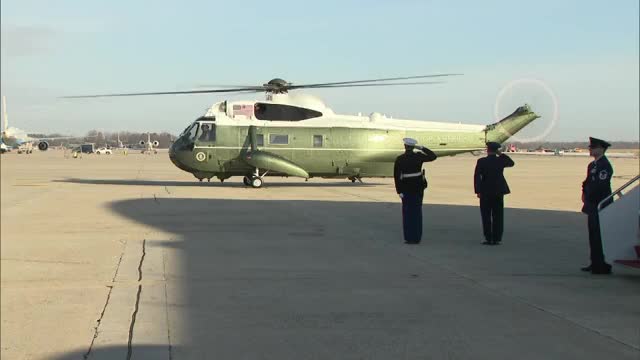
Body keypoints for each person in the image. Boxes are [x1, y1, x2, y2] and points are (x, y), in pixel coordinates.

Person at [394, 138, 437, 244]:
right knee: (417, 213)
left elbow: (396, 176)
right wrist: (422, 148)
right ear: (413, 147)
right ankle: (417, 237)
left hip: (406, 187)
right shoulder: (418, 156)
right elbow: (433, 156)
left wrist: (399, 191)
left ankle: (409, 237)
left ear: (405, 146)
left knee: (407, 213)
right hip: (418, 186)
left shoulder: (400, 158)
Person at [580, 137, 613, 275]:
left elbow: (601, 185)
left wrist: (590, 198)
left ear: (601, 149)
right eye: (590, 147)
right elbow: (587, 182)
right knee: (593, 235)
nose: (590, 149)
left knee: (598, 235)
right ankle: (595, 263)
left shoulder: (604, 165)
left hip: (600, 204)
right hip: (591, 204)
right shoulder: (592, 165)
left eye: (592, 148)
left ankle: (601, 265)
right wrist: (584, 194)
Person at [474, 142, 515, 245]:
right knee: (498, 216)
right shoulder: (500, 161)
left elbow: (477, 177)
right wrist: (500, 154)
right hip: (498, 191)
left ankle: (488, 238)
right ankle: (497, 238)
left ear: (487, 150)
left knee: (486, 216)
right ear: (496, 150)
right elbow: (511, 163)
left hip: (485, 191)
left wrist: (478, 191)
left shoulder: (482, 161)